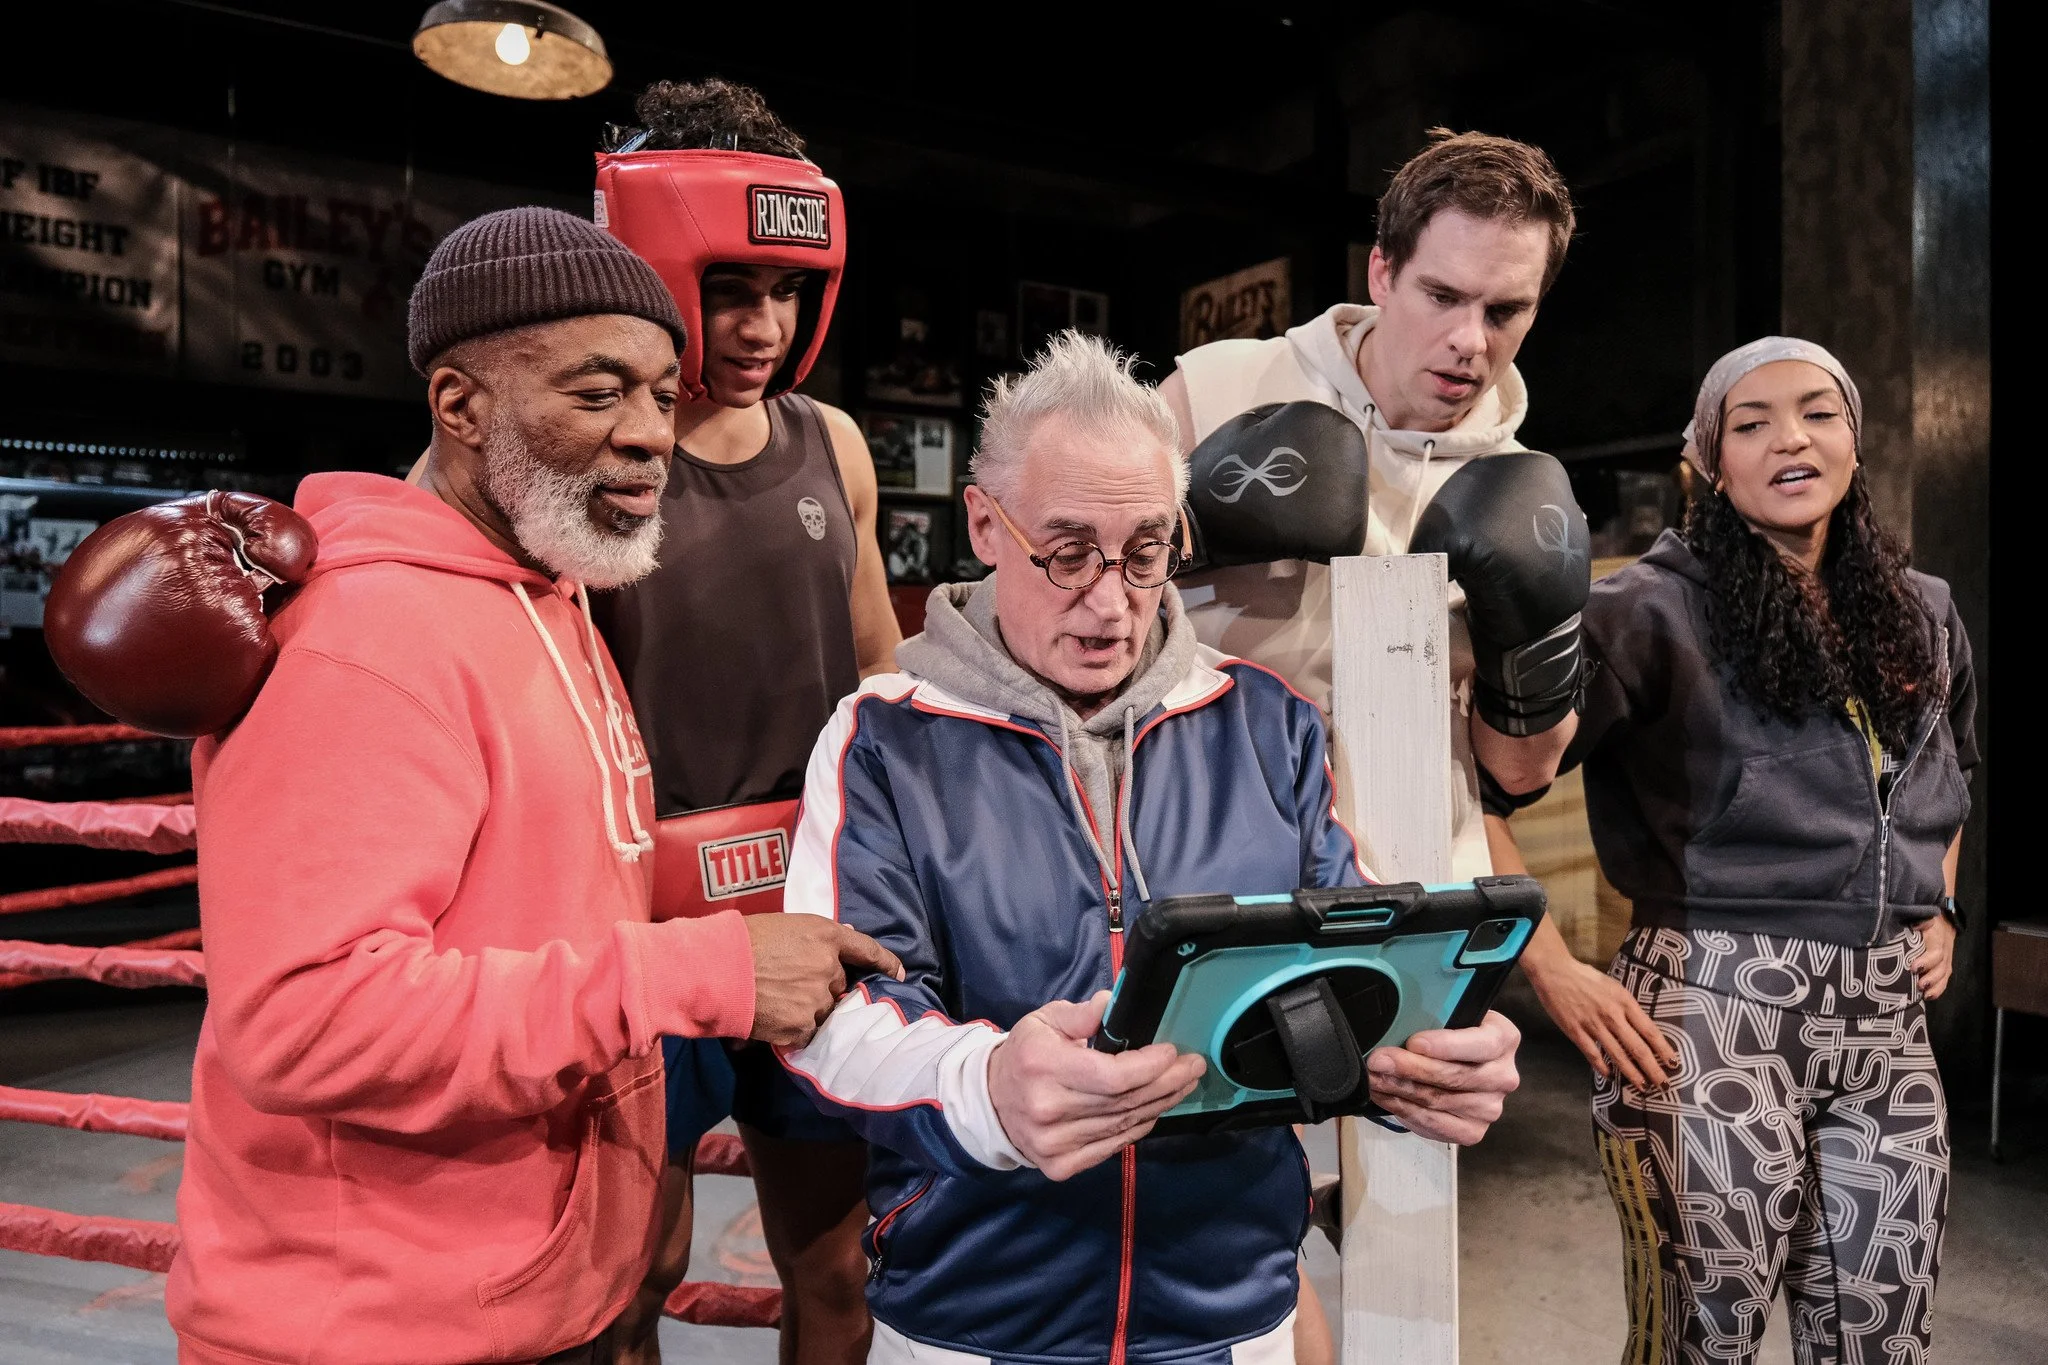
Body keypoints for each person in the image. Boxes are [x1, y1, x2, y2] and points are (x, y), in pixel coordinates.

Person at [50, 207, 900, 1364]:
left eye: (659, 394)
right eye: (597, 394)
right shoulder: (367, 640)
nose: (652, 434)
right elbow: (307, 1023)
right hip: (375, 1329)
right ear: (460, 406)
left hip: (519, 1303)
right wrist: (703, 967)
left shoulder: (549, 597)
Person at [776, 332, 1523, 1365]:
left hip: (1229, 1306)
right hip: (977, 1313)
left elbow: (1349, 957)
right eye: (1068, 551)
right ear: (985, 527)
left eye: (1142, 552)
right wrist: (984, 1084)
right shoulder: (882, 738)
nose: (1110, 600)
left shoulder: (1268, 721)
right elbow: (832, 1020)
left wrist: (1425, 1055)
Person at [1161, 128, 1593, 1359]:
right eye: (1443, 297)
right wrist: (1187, 533)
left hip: (1410, 897)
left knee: (1403, 1239)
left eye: (1505, 309)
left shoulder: (1518, 479)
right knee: (1247, 1219)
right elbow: (1056, 579)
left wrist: (1535, 643)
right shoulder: (1219, 385)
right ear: (1381, 271)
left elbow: (1515, 772)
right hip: (1220, 871)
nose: (1470, 341)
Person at [1484, 338, 1973, 1363]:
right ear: (1706, 460)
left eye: (1814, 413)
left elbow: (1946, 770)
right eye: (1748, 424)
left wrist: (1937, 902)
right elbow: (1479, 791)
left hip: (1885, 1032)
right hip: (1709, 1016)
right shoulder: (1644, 610)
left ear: (1851, 435)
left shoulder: (1920, 610)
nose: (1788, 440)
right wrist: (1547, 968)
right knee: (1696, 1345)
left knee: (1880, 1340)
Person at [585, 80, 900, 1365]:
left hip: (810, 907)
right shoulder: (588, 462)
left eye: (784, 288)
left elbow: (882, 673)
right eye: (727, 288)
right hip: (634, 924)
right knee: (629, 1273)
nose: (762, 324)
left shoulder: (834, 446)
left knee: (831, 1267)